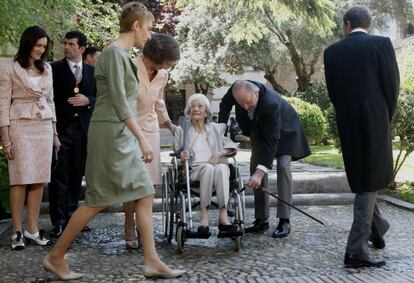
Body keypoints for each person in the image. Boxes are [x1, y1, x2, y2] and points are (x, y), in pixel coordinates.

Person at [42, 3, 185, 280]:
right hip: (110, 133)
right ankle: (56, 256)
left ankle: (152, 261)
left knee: (144, 192)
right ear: (136, 26)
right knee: (96, 199)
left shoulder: (119, 55)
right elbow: (121, 103)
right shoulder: (113, 54)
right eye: (149, 27)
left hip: (117, 132)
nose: (150, 34)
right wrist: (143, 139)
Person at [324, 5, 399, 268]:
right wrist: (384, 116)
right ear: (368, 23)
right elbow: (392, 86)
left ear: (347, 24)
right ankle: (355, 251)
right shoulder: (381, 44)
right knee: (369, 181)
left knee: (364, 177)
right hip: (375, 120)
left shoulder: (332, 52)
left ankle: (378, 229)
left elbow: (333, 93)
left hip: (347, 124)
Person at [218, 80, 311, 238]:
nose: (246, 107)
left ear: (256, 93)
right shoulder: (237, 90)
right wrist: (220, 130)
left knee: (282, 166)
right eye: (241, 103)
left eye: (248, 102)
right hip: (262, 130)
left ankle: (284, 220)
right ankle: (261, 219)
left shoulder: (270, 103)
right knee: (255, 166)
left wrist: (260, 174)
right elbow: (225, 106)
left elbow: (272, 140)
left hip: (286, 132)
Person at [0, 26, 59, 250]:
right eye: (38, 46)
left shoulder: (48, 69)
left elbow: (51, 101)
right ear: (28, 44)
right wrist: (5, 140)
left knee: (38, 178)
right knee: (20, 178)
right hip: (19, 127)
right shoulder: (9, 69)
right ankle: (17, 232)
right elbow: (3, 105)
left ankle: (32, 230)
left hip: (43, 127)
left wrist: (55, 134)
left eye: (44, 47)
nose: (41, 51)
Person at [123, 33, 180, 249]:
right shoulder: (129, 68)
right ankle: (129, 225)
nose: (171, 66)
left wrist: (168, 124)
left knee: (148, 186)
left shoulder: (163, 73)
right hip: (129, 129)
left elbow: (159, 101)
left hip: (151, 129)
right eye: (169, 61)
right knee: (132, 184)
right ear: (157, 56)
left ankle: (143, 229)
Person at [48, 31, 96, 238]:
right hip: (60, 130)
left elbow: (101, 97)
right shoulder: (52, 69)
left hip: (83, 132)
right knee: (59, 177)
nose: (66, 47)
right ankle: (58, 222)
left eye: (71, 44)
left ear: (82, 49)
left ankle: (72, 219)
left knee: (77, 176)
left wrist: (89, 101)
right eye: (64, 43)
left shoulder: (92, 71)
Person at [174, 93, 239, 233]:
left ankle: (223, 216)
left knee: (222, 167)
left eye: (200, 106)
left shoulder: (215, 129)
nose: (196, 109)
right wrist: (182, 159)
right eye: (192, 106)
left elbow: (233, 146)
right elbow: (177, 159)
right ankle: (204, 216)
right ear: (188, 111)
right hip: (193, 170)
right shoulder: (182, 131)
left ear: (206, 112)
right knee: (208, 168)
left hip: (216, 168)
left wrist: (219, 153)